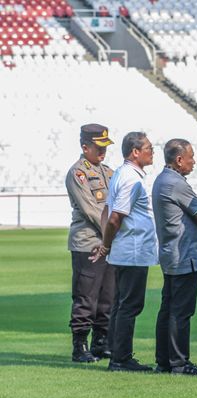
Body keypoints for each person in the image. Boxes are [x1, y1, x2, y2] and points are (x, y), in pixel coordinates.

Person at [91, 132, 158, 372]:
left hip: (125, 249)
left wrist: (106, 243)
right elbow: (115, 217)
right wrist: (107, 244)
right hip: (133, 250)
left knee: (121, 305)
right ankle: (121, 358)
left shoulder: (121, 173)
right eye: (149, 148)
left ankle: (117, 354)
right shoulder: (131, 178)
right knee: (130, 305)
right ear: (135, 152)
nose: (153, 151)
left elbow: (106, 212)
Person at [152, 139, 197, 376]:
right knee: (181, 311)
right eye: (191, 156)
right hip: (183, 254)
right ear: (179, 159)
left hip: (170, 252)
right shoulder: (177, 183)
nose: (194, 162)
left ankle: (164, 360)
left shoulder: (161, 180)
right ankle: (179, 362)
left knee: (167, 309)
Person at [65, 123, 115, 363]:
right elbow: (91, 210)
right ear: (85, 147)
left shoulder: (107, 171)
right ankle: (80, 345)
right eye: (98, 148)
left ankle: (101, 341)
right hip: (88, 244)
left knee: (108, 296)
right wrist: (111, 235)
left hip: (108, 243)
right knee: (86, 296)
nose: (103, 152)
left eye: (105, 147)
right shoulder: (78, 173)